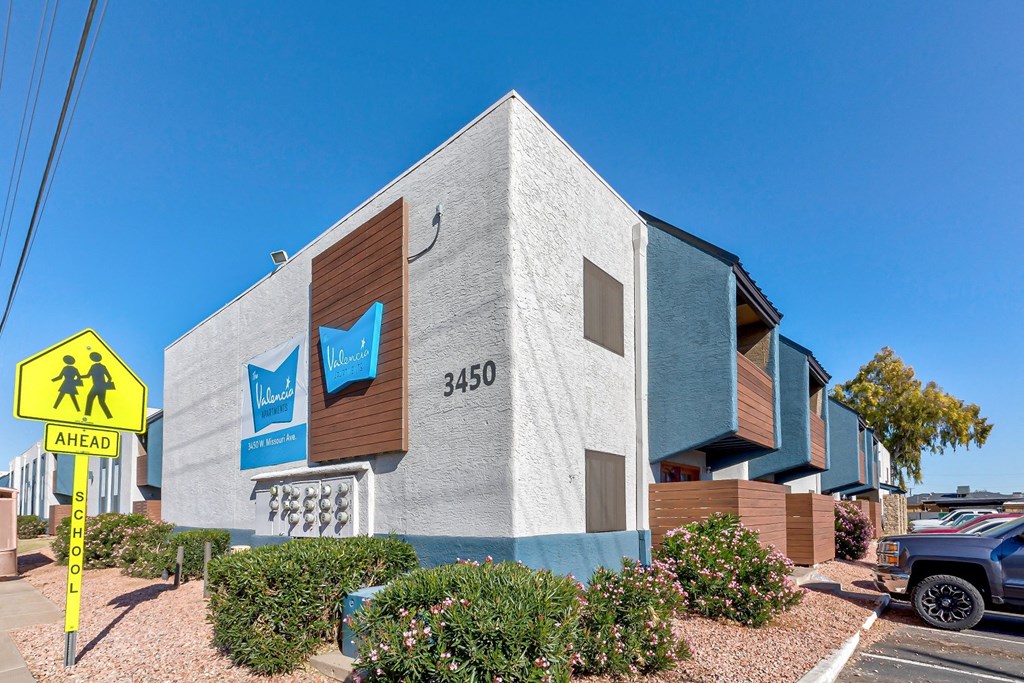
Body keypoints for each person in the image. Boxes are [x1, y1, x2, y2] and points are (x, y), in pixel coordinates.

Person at [84, 351, 114, 419]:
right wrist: (105, 384)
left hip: (96, 386)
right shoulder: (102, 366)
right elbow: (109, 377)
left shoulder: (93, 366)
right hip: (102, 387)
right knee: (101, 402)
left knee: (90, 399)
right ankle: (109, 416)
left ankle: (87, 415)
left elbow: (88, 376)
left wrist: (79, 377)